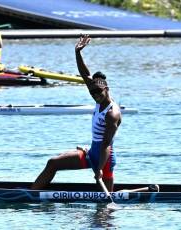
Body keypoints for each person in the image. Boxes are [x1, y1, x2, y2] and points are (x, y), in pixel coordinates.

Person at [31, 35, 122, 192]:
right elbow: (85, 75)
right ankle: (30, 194)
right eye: (92, 92)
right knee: (53, 163)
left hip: (104, 159)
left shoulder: (112, 114)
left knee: (104, 209)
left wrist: (99, 168)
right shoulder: (97, 94)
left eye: (98, 92)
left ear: (106, 89)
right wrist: (77, 52)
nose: (95, 95)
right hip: (92, 152)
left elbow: (106, 145)